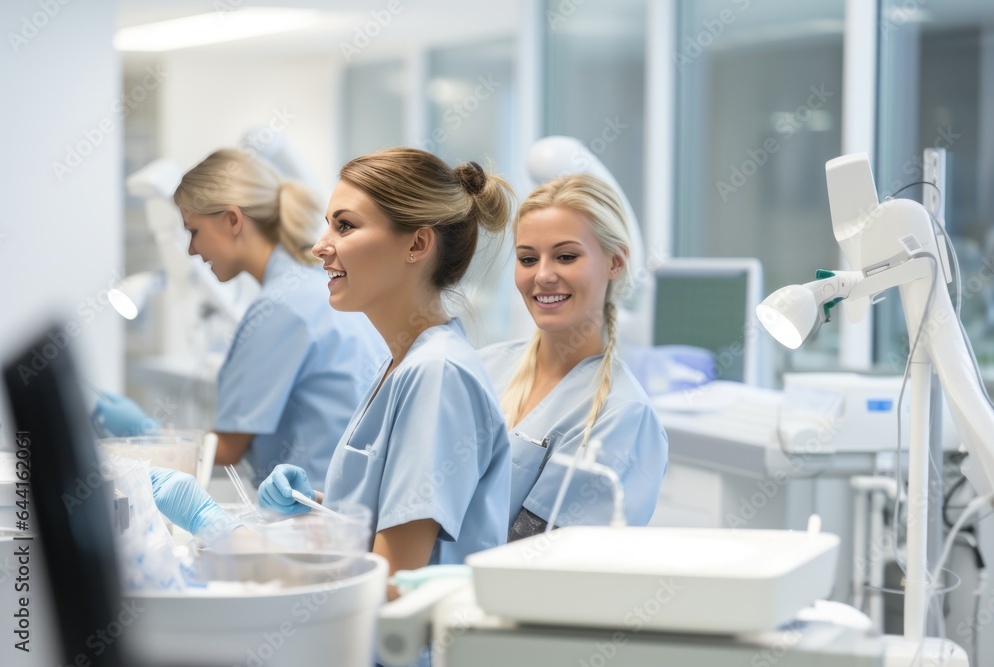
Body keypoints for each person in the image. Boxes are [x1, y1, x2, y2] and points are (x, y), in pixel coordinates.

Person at [257, 148, 513, 594]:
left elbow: (394, 582)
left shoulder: (438, 374)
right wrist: (317, 506)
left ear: (417, 244)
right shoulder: (403, 363)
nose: (320, 245)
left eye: (345, 225)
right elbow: (387, 518)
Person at [94, 149, 386, 486]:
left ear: (232, 220)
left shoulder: (281, 306)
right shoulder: (314, 286)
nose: (191, 250)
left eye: (193, 231)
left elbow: (226, 448)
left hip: (313, 516)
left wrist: (142, 433)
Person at [478, 174, 669, 540]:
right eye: (528, 258)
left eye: (566, 256)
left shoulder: (621, 416)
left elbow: (540, 558)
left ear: (615, 262)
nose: (544, 275)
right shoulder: (484, 365)